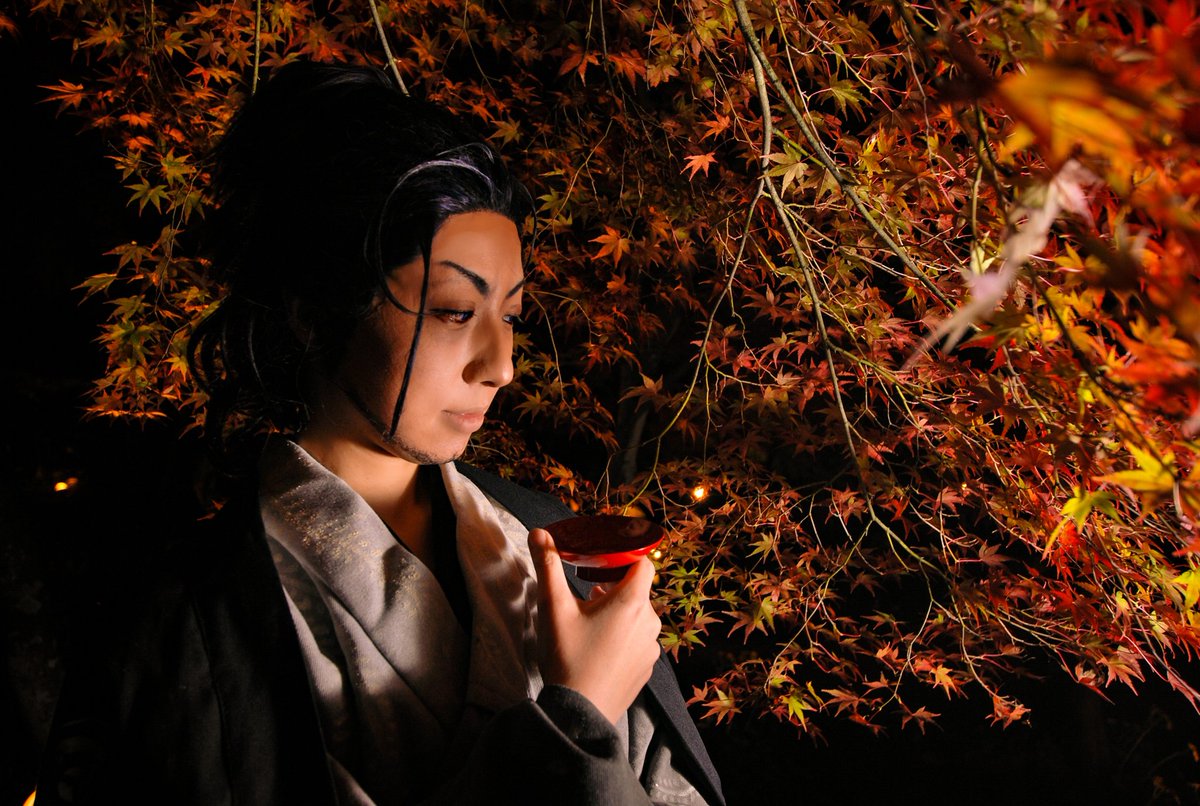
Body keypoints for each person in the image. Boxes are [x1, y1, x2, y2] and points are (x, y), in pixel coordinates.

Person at [36, 61, 724, 805]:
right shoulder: (184, 630)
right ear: (315, 310)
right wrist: (577, 719)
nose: (501, 366)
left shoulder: (544, 535)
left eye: (511, 317)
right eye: (455, 312)